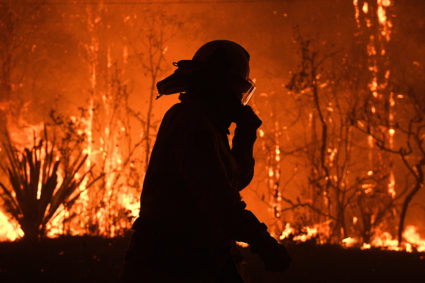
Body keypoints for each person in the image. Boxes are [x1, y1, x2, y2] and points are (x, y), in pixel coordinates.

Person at [122, 40, 291, 283]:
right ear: (220, 87)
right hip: (170, 260)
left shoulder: (206, 125)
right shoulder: (191, 124)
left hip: (194, 255)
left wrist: (245, 137)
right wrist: (263, 242)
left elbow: (234, 181)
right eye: (235, 91)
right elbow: (220, 199)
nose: (237, 100)